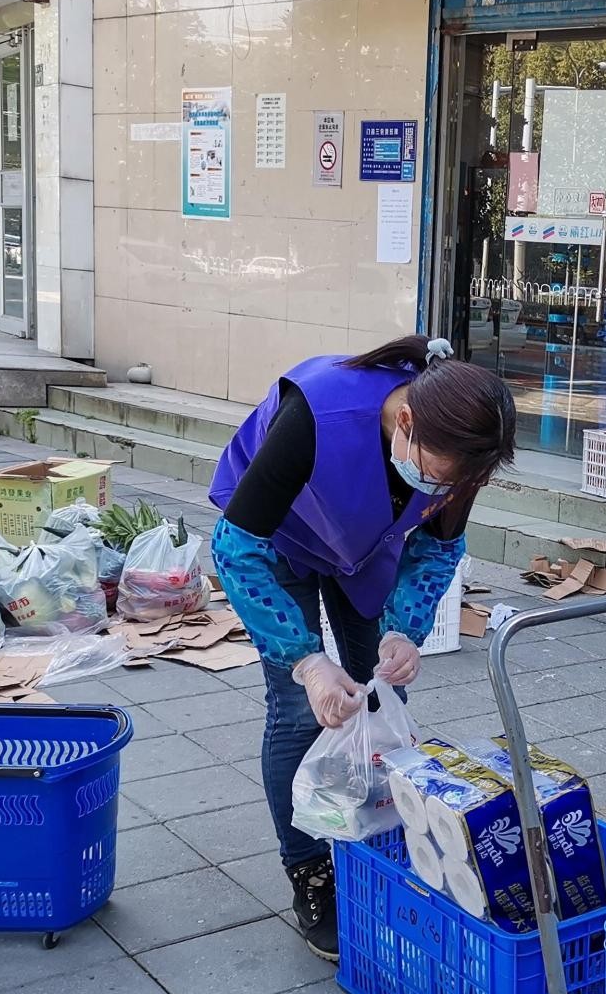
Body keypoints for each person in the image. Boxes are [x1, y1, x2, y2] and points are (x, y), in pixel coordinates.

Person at [209, 335, 516, 959]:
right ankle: (310, 872)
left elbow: (438, 546)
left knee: (377, 690)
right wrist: (306, 660)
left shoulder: (460, 457)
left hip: (367, 545)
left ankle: (370, 840)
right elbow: (235, 548)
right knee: (304, 709)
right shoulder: (316, 415)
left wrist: (406, 627)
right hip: (280, 541)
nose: (441, 488)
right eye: (434, 475)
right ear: (405, 422)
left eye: (453, 482)